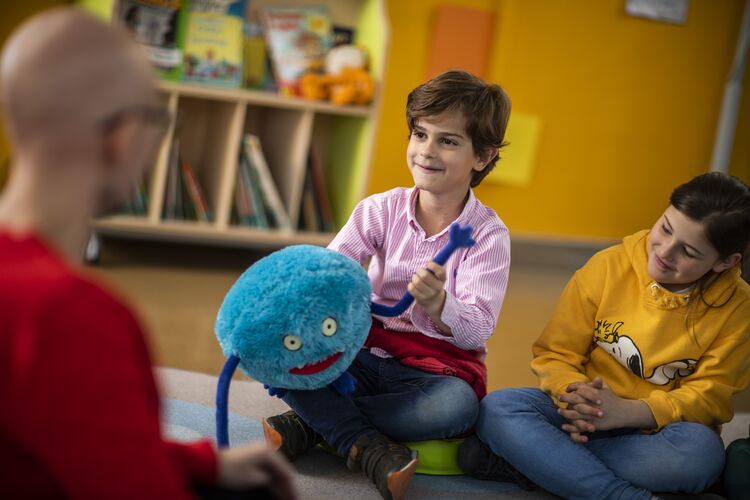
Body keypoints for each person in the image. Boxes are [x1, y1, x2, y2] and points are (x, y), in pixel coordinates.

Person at [0, 8, 296, 500]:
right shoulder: (71, 316)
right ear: (121, 136)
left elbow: (47, 435)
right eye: (156, 119)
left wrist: (196, 461)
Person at [262, 70, 512, 500]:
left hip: (432, 371)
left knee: (457, 408)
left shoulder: (489, 235)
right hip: (362, 350)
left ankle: (319, 423)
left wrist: (441, 305)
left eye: (448, 141)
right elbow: (331, 272)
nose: (426, 152)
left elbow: (478, 330)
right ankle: (365, 443)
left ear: (483, 156)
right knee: (282, 348)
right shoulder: (380, 209)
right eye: (420, 134)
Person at [458, 172, 750, 500]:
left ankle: (532, 464)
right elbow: (556, 353)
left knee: (702, 455)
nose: (666, 251)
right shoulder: (608, 265)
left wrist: (630, 412)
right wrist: (579, 396)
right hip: (580, 414)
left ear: (725, 262)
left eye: (689, 252)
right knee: (498, 409)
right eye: (665, 228)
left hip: (656, 430)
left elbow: (708, 397)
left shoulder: (739, 309)